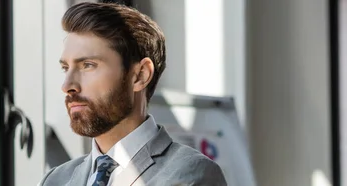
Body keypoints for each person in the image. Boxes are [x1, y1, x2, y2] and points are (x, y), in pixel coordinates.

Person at [39, 2, 227, 186]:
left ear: (140, 75)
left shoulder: (191, 174)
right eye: (66, 68)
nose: (67, 85)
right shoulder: (55, 180)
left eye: (88, 65)